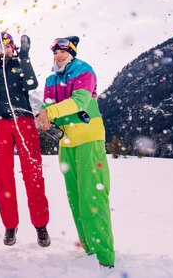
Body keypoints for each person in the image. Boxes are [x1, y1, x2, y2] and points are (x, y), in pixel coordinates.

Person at [36, 36, 115, 268]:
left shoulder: (84, 70)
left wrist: (49, 113)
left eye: (63, 52)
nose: (58, 56)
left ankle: (104, 258)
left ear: (72, 53)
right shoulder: (51, 78)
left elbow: (79, 101)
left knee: (93, 196)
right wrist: (43, 116)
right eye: (55, 53)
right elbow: (47, 104)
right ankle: (89, 249)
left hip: (89, 138)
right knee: (76, 199)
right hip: (66, 143)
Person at [0, 31, 51, 247]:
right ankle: (10, 225)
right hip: (1, 124)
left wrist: (25, 55)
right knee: (2, 175)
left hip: (24, 121)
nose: (3, 48)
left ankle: (41, 225)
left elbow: (31, 83)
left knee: (33, 173)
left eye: (6, 45)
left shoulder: (19, 65)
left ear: (13, 47)